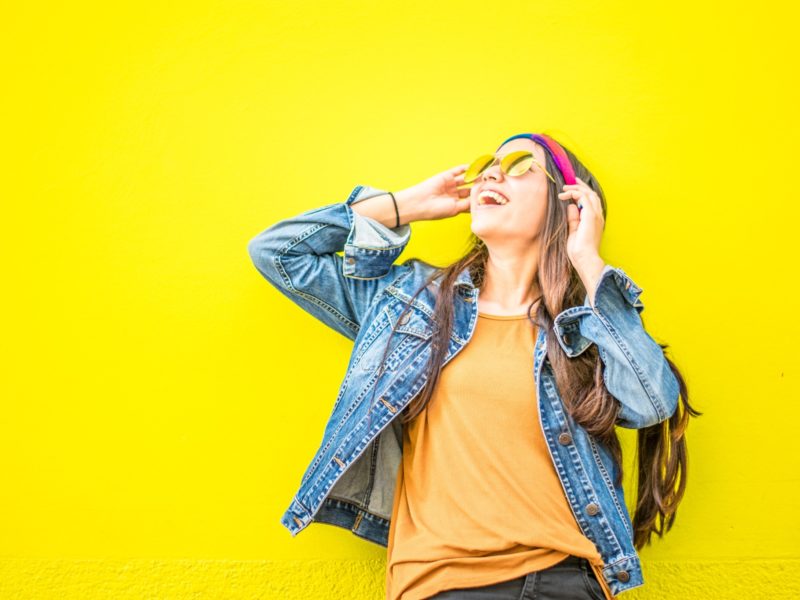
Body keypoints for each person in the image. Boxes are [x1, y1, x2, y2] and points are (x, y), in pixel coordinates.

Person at [247, 132, 701, 599]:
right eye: (488, 164)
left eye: (521, 164)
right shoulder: (409, 303)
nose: (491, 172)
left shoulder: (585, 327)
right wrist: (406, 205)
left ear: (569, 205)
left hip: (569, 579)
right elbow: (277, 252)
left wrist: (587, 259)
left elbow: (652, 403)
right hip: (442, 584)